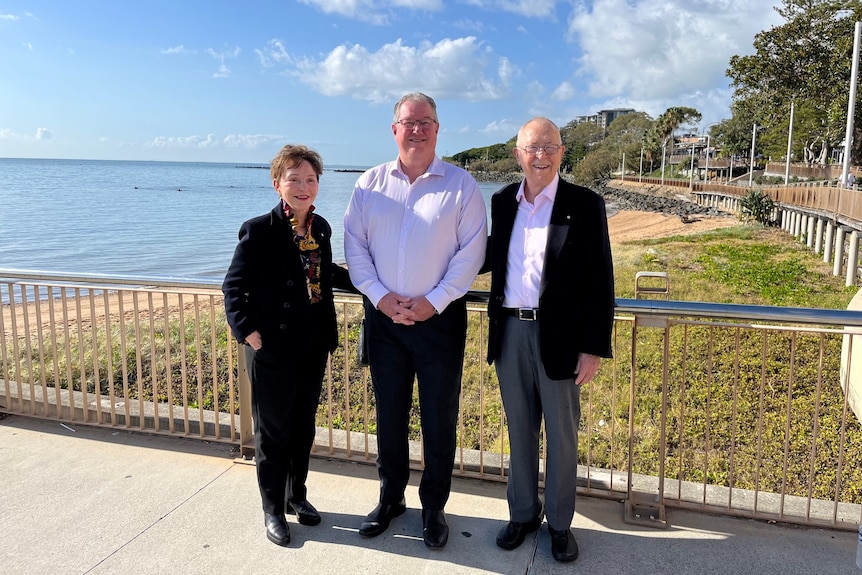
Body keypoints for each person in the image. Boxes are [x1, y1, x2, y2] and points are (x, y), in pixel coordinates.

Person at [343, 92, 487, 549]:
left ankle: (434, 508)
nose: (417, 129)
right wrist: (383, 298)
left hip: (440, 321)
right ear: (394, 130)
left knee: (439, 418)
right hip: (384, 320)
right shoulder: (368, 184)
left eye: (426, 121)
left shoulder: (461, 185)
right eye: (409, 122)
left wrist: (434, 301)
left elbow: (472, 253)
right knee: (389, 415)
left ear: (438, 128)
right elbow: (355, 247)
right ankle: (390, 500)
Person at [484, 117, 615, 563]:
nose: (540, 155)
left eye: (549, 147)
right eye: (531, 148)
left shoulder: (585, 203)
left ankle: (559, 524)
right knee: (519, 430)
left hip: (561, 335)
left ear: (561, 153)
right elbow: (480, 256)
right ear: (518, 154)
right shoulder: (503, 201)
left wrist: (594, 346)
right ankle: (522, 514)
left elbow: (601, 280)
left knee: (562, 435)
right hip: (510, 331)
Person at [222, 144, 353, 547]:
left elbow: (324, 274)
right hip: (272, 347)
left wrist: (377, 286)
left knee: (303, 427)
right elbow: (234, 286)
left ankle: (298, 495)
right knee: (273, 432)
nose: (303, 186)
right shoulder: (259, 230)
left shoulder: (322, 228)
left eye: (310, 179)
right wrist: (246, 331)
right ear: (277, 182)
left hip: (313, 343)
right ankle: (273, 508)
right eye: (294, 178)